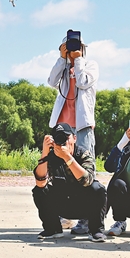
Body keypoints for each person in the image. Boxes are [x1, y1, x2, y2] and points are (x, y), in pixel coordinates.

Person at [47, 31, 99, 235]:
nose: (73, 50)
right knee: (61, 170)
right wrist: (62, 59)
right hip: (63, 124)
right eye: (69, 47)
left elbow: (83, 82)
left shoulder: (91, 65)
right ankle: (65, 216)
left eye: (77, 46)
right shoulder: (63, 66)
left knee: (84, 170)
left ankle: (87, 219)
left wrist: (78, 61)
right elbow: (51, 82)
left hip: (83, 125)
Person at [32, 123, 107, 242]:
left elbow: (87, 181)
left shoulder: (83, 154)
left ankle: (96, 230)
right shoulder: (51, 157)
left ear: (74, 138)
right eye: (59, 138)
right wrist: (45, 154)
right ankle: (52, 229)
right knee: (39, 190)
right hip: (62, 204)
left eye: (66, 137)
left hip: (84, 205)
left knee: (98, 189)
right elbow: (40, 183)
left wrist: (67, 158)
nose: (63, 141)